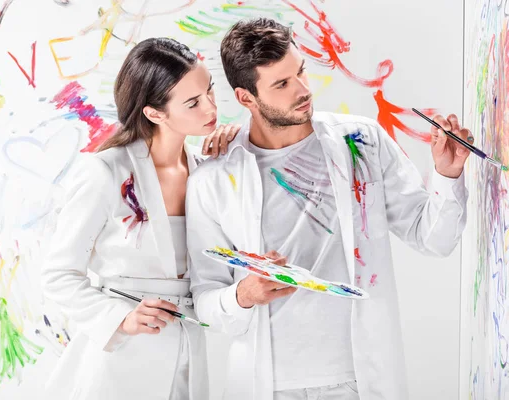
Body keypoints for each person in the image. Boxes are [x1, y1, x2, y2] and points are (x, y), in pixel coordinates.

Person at [186, 18, 469, 400]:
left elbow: (434, 240)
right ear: (245, 98)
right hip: (268, 385)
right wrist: (245, 294)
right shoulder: (215, 178)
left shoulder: (360, 140)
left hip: (359, 377)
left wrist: (447, 175)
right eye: (282, 84)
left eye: (300, 71)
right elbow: (204, 300)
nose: (303, 90)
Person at [41, 37, 240, 400]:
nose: (211, 107)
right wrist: (121, 318)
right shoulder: (105, 172)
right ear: (154, 113)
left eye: (210, 90)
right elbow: (58, 275)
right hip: (122, 358)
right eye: (193, 102)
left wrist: (236, 151)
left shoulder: (206, 171)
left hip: (190, 351)